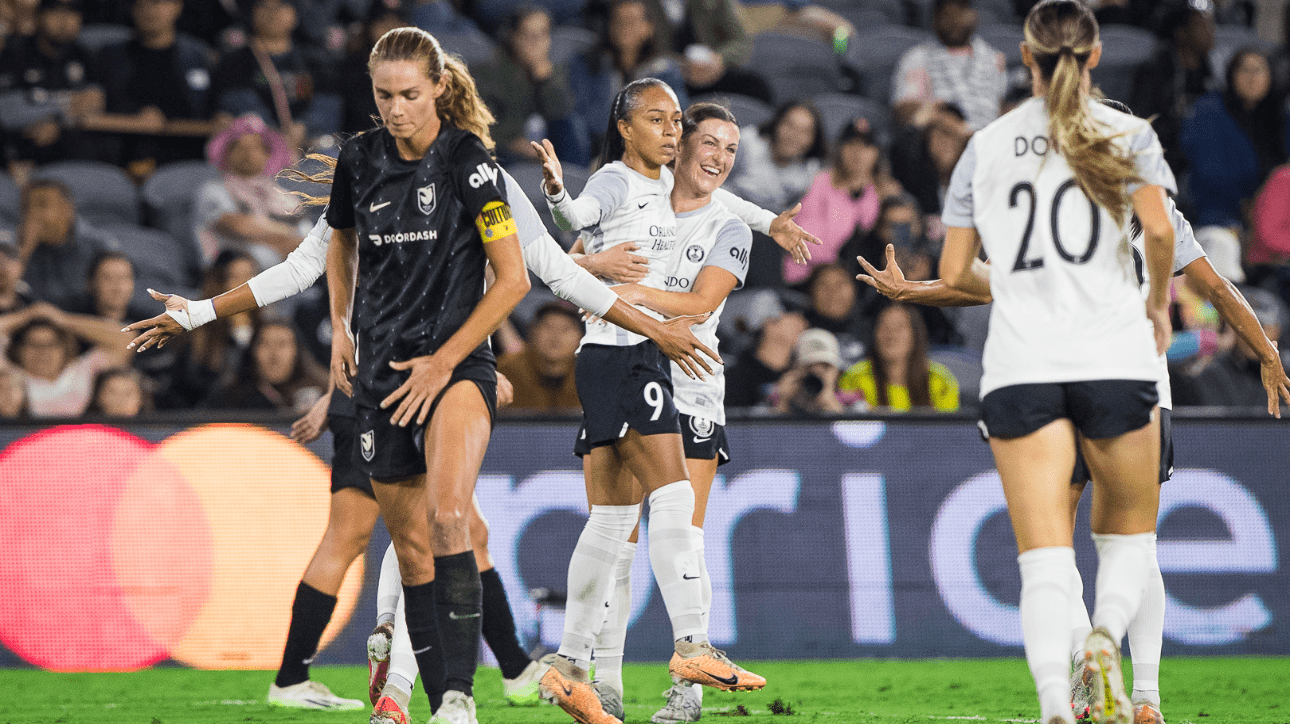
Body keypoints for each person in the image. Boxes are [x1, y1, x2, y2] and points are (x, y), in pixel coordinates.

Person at [123, 134, 725, 724]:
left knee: (443, 523)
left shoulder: (481, 177)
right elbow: (308, 264)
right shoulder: (366, 177)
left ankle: (436, 679)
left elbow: (544, 266)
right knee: (422, 531)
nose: (403, 120)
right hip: (377, 382)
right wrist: (206, 312)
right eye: (389, 101)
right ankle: (427, 666)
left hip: (451, 373)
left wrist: (624, 312)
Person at [859, 100, 1290, 724]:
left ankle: (1085, 692)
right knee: (1136, 547)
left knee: (1050, 546)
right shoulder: (1154, 210)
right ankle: (1143, 699)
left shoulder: (1048, 208)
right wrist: (1267, 355)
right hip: (1141, 391)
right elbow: (1218, 289)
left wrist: (917, 291)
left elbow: (993, 282)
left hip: (1061, 384)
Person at [937, 3, 1178, 724]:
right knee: (1127, 533)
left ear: (1024, 56)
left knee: (1043, 557)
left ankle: (1054, 707)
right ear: (1095, 54)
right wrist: (1159, 303)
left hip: (1022, 364)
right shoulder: (1128, 134)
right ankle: (1107, 635)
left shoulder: (985, 143)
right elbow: (1160, 234)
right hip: (1113, 354)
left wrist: (1010, 280)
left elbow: (954, 269)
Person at [532, 80, 767, 724]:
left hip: (665, 367)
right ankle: (686, 649)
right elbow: (575, 236)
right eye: (694, 135)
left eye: (731, 146)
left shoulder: (711, 213)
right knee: (669, 510)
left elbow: (695, 289)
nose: (710, 151)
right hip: (633, 355)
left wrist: (775, 221)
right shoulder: (625, 181)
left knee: (618, 526)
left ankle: (573, 669)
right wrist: (581, 244)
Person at [94, 0, 219, 171]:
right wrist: (135, 116)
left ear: (177, 6)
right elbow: (101, 104)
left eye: (156, 2)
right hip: (124, 154)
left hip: (189, 155)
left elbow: (210, 108)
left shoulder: (200, 56)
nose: (148, 10)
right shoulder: (110, 56)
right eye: (140, 4)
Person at [1180, 48, 1290, 229]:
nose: (1252, 77)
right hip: (1218, 212)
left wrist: (1264, 204)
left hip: (1272, 215)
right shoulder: (1209, 111)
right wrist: (1245, 204)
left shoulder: (1278, 116)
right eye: (1244, 70)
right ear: (1231, 74)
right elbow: (1207, 171)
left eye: (1259, 70)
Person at [212, 0, 341, 146]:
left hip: (309, 145)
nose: (272, 13)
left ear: (295, 13)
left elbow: (330, 103)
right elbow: (235, 102)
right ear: (251, 13)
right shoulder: (234, 61)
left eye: (280, 6)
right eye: (263, 6)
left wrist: (305, 126)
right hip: (258, 149)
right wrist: (273, 134)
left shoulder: (316, 61)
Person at [568, 0, 688, 157]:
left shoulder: (664, 70)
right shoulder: (589, 64)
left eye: (631, 21)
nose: (623, 27)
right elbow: (585, 115)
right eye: (618, 20)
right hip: (597, 151)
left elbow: (676, 117)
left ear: (648, 27)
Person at [475, 5, 585, 165]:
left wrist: (545, 80)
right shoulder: (489, 72)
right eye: (528, 35)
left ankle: (575, 179)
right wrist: (512, 141)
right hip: (506, 149)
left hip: (546, 145)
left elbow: (563, 115)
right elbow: (481, 123)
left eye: (541, 35)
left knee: (572, 125)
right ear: (513, 37)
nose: (535, 43)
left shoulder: (555, 71)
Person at [0, 0, 103, 164]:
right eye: (55, 11)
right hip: (17, 151)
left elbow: (94, 103)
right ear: (38, 17)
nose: (64, 20)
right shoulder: (15, 51)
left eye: (72, 12)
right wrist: (67, 106)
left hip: (68, 152)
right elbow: (6, 111)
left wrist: (57, 124)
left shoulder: (84, 55)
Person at [195, 114, 303, 267]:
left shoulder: (282, 194)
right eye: (239, 147)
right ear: (227, 153)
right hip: (231, 280)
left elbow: (305, 233)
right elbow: (240, 227)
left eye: (256, 148)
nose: (248, 154)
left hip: (284, 280)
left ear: (268, 154)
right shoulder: (212, 191)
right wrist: (289, 238)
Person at [786, 119, 886, 285]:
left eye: (867, 146)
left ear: (877, 153)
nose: (858, 152)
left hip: (853, 282)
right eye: (851, 144)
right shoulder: (817, 181)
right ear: (840, 148)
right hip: (802, 276)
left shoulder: (881, 194)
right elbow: (804, 237)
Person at [890, 0, 1008, 131]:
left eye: (960, 12)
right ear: (934, 19)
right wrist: (943, 118)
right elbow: (906, 112)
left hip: (988, 136)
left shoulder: (993, 57)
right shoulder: (918, 57)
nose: (955, 20)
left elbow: (1000, 108)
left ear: (974, 15)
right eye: (947, 15)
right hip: (944, 135)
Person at [1131, 1, 1216, 175]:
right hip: (1166, 159)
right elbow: (1143, 122)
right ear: (1181, 33)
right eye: (1201, 26)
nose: (1210, 33)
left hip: (1202, 156)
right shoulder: (1155, 70)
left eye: (1211, 25)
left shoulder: (1210, 71)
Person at [5, 302, 131, 416]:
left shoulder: (83, 370)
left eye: (51, 344)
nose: (42, 352)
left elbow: (127, 338)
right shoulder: (9, 376)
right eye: (33, 344)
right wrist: (28, 315)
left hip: (84, 439)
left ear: (64, 348)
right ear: (19, 350)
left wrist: (63, 319)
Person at [16, 179, 119, 309]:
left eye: (42, 205)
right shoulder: (19, 248)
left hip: (88, 321)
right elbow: (7, 298)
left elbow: (115, 304)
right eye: (27, 207)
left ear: (67, 209)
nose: (34, 214)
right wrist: (25, 250)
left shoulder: (99, 246)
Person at [838, 302, 958, 411]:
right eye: (884, 326)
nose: (891, 334)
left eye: (899, 327)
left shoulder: (942, 380)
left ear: (916, 335)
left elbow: (949, 431)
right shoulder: (854, 377)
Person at [725, 100, 827, 213]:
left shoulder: (810, 172)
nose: (794, 136)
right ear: (776, 123)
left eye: (804, 131)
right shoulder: (745, 145)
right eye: (790, 125)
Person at [216, 320, 327, 411]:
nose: (274, 355)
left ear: (297, 351)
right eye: (265, 344)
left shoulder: (324, 396)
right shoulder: (229, 398)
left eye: (282, 344)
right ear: (252, 351)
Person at [496, 301, 583, 411]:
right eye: (548, 327)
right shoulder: (504, 371)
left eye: (566, 329)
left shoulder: (592, 375)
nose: (556, 335)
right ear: (532, 332)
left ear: (581, 337)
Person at [723, 309, 808, 408]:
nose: (803, 322)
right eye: (793, 315)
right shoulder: (735, 379)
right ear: (769, 324)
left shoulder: (802, 376)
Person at [771, 326, 846, 414]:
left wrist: (832, 411)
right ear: (795, 371)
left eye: (825, 366)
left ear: (836, 373)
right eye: (809, 367)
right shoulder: (778, 397)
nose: (818, 373)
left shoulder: (852, 405)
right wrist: (783, 403)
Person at [85, 366, 150, 416]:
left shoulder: (154, 430)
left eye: (128, 393)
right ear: (98, 397)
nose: (120, 399)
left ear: (141, 399)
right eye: (112, 392)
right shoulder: (85, 430)